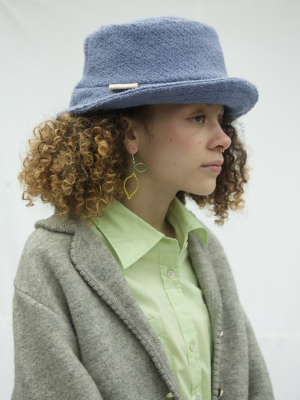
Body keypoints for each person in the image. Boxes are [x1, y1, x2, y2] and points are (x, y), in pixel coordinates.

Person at [12, 16, 275, 400]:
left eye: (221, 119)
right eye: (198, 117)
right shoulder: (52, 262)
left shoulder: (203, 249)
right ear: (129, 132)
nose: (223, 139)